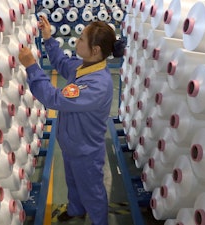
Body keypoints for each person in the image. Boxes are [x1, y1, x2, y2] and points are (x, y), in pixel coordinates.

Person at [18, 15, 125, 225]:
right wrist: (48, 38)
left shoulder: (97, 85)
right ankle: (76, 210)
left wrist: (32, 66)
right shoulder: (82, 67)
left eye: (82, 38)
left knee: (92, 191)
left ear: (95, 50)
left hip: (86, 151)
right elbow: (61, 62)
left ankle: (98, 221)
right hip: (71, 144)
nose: (77, 40)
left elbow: (54, 98)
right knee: (74, 183)